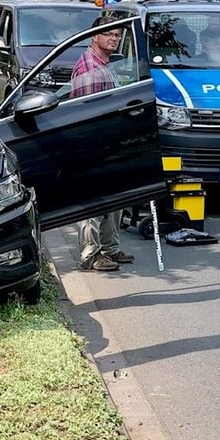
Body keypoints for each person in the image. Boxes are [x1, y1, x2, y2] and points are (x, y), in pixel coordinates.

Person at [70, 18, 135, 271]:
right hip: (94, 145)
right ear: (94, 36)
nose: (113, 39)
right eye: (108, 34)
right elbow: (89, 115)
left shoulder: (103, 64)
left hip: (108, 143)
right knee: (93, 202)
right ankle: (91, 254)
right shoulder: (90, 70)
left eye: (117, 35)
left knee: (113, 200)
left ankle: (109, 248)